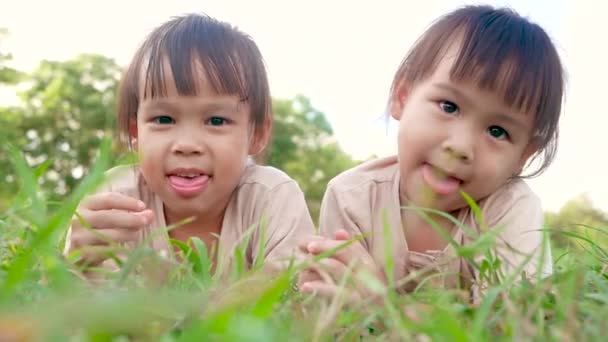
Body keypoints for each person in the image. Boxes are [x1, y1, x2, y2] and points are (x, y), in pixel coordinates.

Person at [299, 5, 563, 302]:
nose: (461, 146)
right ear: (402, 97)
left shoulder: (509, 209)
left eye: (497, 131)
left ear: (522, 156)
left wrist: (381, 308)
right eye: (449, 106)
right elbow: (331, 315)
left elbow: (509, 325)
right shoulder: (351, 199)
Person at [64, 13, 315, 277]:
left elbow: (296, 298)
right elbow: (71, 305)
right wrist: (78, 263)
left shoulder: (271, 199)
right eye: (163, 119)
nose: (187, 145)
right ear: (135, 132)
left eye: (216, 120)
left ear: (257, 134)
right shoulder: (115, 198)